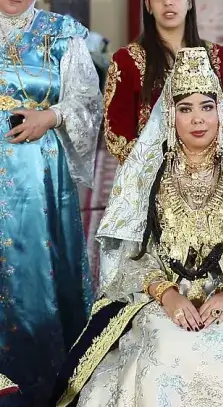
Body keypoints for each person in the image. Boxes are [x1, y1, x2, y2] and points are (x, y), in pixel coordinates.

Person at [50, 47, 223, 407]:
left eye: (207, 107)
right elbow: (130, 258)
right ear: (170, 116)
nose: (198, 119)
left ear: (220, 112)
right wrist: (168, 295)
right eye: (186, 109)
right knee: (167, 349)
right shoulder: (148, 177)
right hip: (161, 299)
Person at [0, 0, 101, 404]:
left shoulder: (62, 32)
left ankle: (41, 384)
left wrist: (51, 116)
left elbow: (87, 102)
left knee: (33, 273)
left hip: (37, 178)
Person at [104, 0, 223, 165]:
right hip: (150, 173)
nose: (168, 2)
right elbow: (118, 137)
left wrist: (206, 164)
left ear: (189, 3)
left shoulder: (218, 57)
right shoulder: (127, 61)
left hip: (214, 170)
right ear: (148, 5)